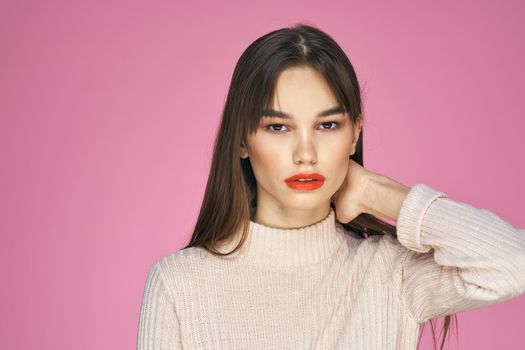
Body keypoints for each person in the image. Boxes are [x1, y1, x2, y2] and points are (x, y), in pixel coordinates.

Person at [136, 23, 525, 350]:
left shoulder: (391, 273)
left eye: (327, 126)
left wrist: (377, 192)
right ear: (241, 140)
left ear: (354, 135)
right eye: (278, 127)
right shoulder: (178, 285)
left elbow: (513, 263)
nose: (306, 153)